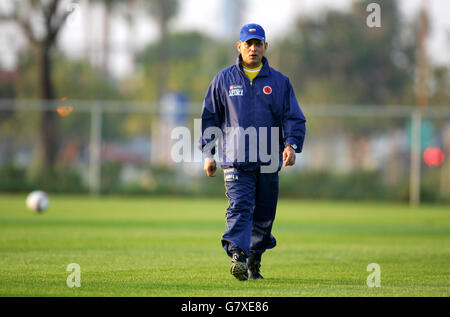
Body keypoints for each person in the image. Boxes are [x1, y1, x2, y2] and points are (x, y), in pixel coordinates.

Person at [200, 23, 306, 281]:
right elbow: (210, 117)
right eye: (248, 43)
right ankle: (238, 255)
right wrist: (208, 153)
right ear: (239, 46)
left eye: (258, 43)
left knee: (264, 216)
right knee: (240, 207)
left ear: (265, 47)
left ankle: (254, 258)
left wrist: (291, 145)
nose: (253, 48)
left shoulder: (280, 82)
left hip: (269, 162)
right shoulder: (224, 79)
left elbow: (293, 117)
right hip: (236, 161)